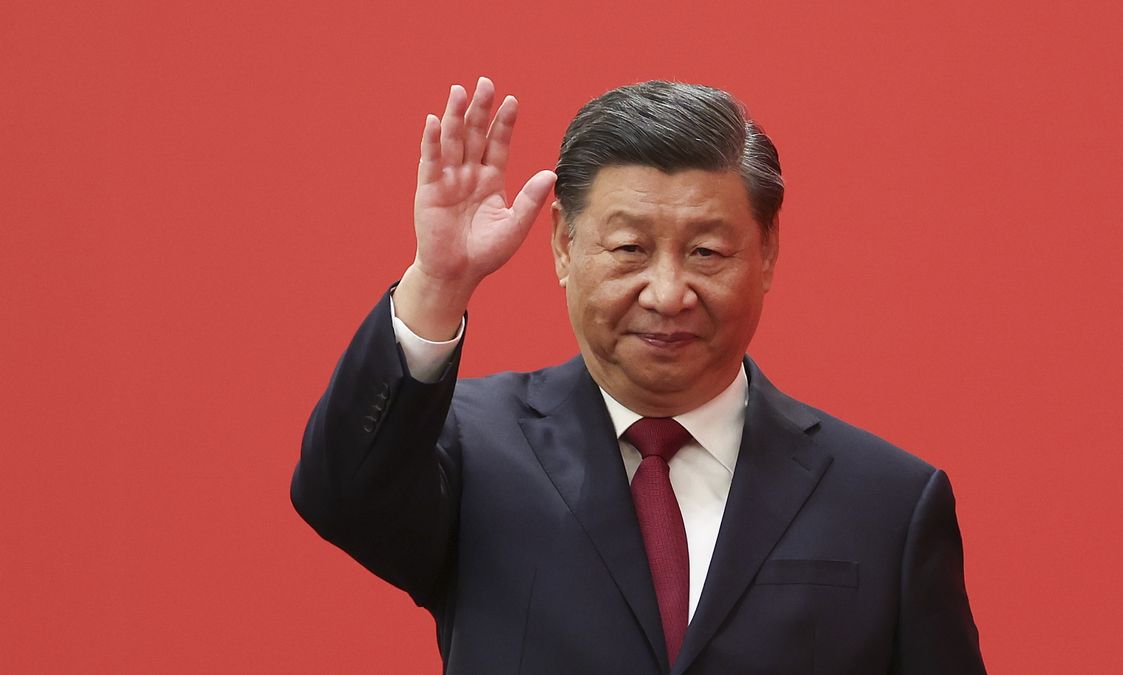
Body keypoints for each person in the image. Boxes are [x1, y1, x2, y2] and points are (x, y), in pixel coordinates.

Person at [291, 77, 986, 674]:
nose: (667, 291)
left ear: (767, 251)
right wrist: (439, 284)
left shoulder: (889, 503)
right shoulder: (470, 448)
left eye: (707, 251)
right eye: (629, 248)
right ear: (564, 244)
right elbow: (341, 495)